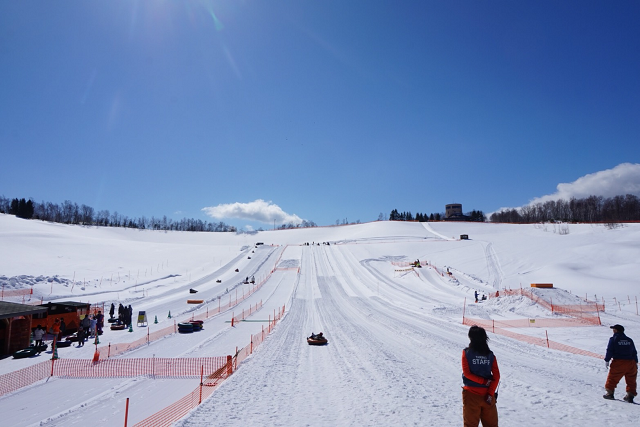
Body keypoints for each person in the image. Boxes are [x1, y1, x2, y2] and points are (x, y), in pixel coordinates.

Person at [462, 325, 500, 427]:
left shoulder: (466, 353)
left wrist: (482, 381)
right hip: (488, 395)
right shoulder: (490, 355)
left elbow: (467, 374)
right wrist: (490, 393)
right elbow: (497, 377)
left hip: (471, 395)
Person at [603, 324, 637, 403]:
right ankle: (630, 396)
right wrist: (635, 362)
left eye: (613, 330)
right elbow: (634, 352)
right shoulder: (629, 340)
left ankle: (610, 393)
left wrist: (607, 360)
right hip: (631, 362)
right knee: (631, 380)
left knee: (613, 377)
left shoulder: (613, 339)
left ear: (616, 330)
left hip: (619, 362)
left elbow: (610, 350)